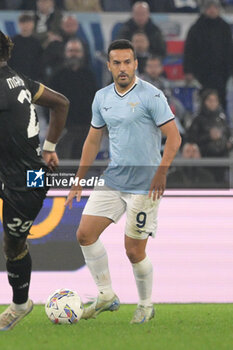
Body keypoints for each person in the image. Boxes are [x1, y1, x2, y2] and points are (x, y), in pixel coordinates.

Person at [65, 39, 181, 323]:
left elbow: (174, 137)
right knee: (84, 234)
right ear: (109, 66)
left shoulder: (151, 96)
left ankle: (145, 305)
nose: (122, 68)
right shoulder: (102, 97)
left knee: (133, 251)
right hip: (113, 179)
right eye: (116, 63)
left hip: (145, 184)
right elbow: (93, 140)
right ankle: (106, 295)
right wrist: (78, 180)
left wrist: (162, 171)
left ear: (135, 64)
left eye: (127, 62)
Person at [0, 31, 69, 331]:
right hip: (26, 171)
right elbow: (62, 103)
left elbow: (62, 104)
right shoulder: (19, 80)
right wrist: (50, 149)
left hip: (26, 179)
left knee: (14, 246)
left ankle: (20, 305)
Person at [50, 38, 97, 159]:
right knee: (64, 166)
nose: (73, 54)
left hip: (85, 128)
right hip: (64, 130)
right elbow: (48, 103)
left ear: (82, 53)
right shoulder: (57, 75)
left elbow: (96, 102)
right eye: (71, 50)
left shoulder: (89, 76)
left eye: (77, 51)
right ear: (65, 53)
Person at [183, 0, 233, 109]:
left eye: (215, 8)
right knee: (204, 99)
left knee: (221, 99)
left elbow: (229, 50)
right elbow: (189, 51)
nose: (212, 10)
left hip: (221, 73)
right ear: (205, 10)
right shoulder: (196, 28)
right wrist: (188, 71)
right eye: (209, 8)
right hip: (202, 73)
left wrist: (229, 70)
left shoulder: (225, 27)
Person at [8, 13, 43, 81]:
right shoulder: (12, 42)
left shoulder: (36, 43)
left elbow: (39, 62)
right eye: (23, 22)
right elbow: (9, 61)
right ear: (19, 24)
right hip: (15, 78)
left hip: (33, 79)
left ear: (32, 24)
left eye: (28, 22)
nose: (25, 25)